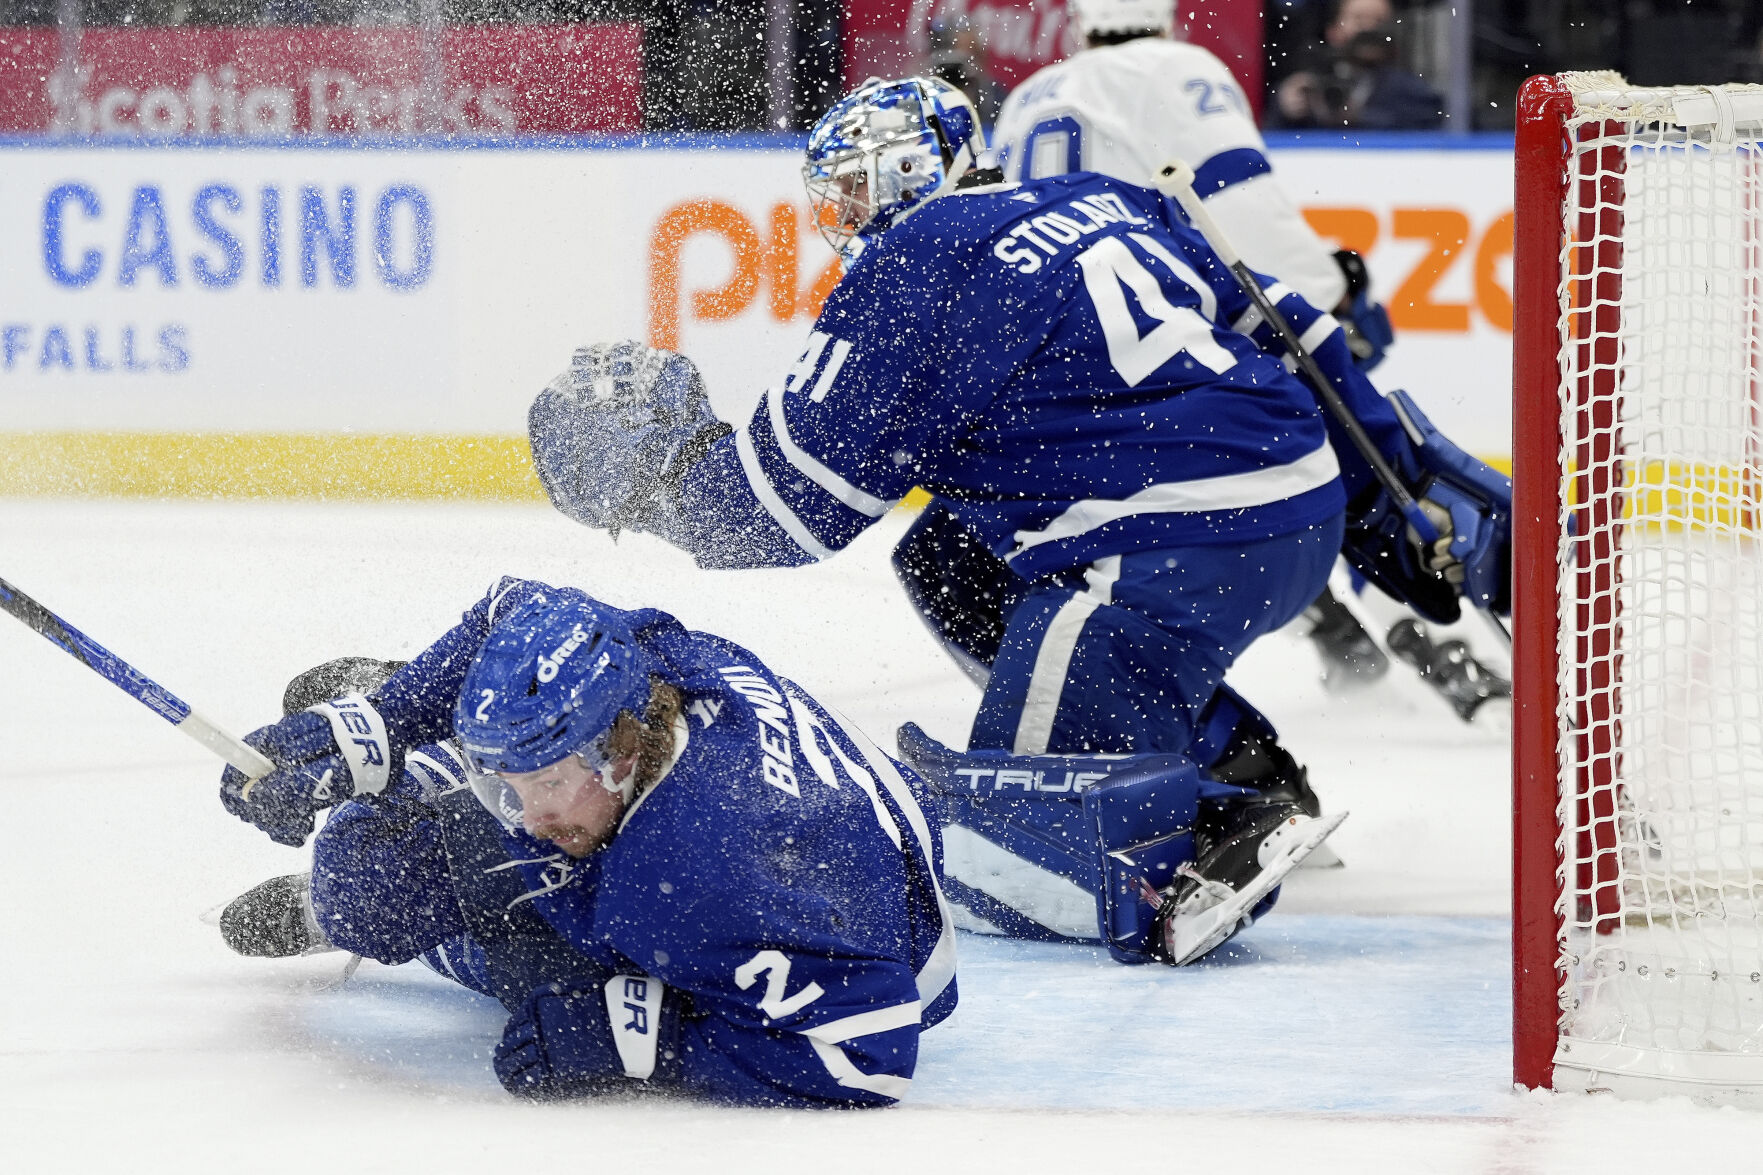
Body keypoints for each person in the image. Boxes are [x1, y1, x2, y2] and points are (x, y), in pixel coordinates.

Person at [524, 74, 1505, 885]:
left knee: (1005, 856)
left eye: (858, 192)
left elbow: (783, 513)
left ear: (913, 176)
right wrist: (1394, 489)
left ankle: (1197, 827)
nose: (847, 222)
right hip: (1295, 513)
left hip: (1168, 553)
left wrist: (659, 477)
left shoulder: (914, 264)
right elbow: (1292, 327)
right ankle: (1237, 769)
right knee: (949, 554)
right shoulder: (1096, 195)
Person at [215, 580, 958, 1106]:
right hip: (838, 836)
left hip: (818, 907)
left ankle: (340, 896)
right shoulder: (649, 658)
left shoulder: (702, 885)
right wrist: (383, 721)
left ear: (624, 745)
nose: (527, 814)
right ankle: (432, 744)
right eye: (503, 777)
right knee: (397, 873)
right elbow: (518, 610)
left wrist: (645, 1040)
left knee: (378, 897)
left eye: (541, 777)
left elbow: (869, 1054)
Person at [988, 0, 1506, 719]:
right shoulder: (1174, 69)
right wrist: (1331, 292)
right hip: (1164, 340)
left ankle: (1323, 633)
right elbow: (1241, 205)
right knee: (1316, 465)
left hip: (1067, 377)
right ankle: (1427, 645)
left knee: (1199, 500)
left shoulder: (1025, 99)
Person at [1269, 0, 1445, 131]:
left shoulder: (1411, 92)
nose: (1368, 28)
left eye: (1379, 21)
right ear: (1333, 30)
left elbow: (1431, 126)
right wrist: (1282, 109)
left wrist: (1360, 117)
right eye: (1359, 20)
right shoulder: (1311, 81)